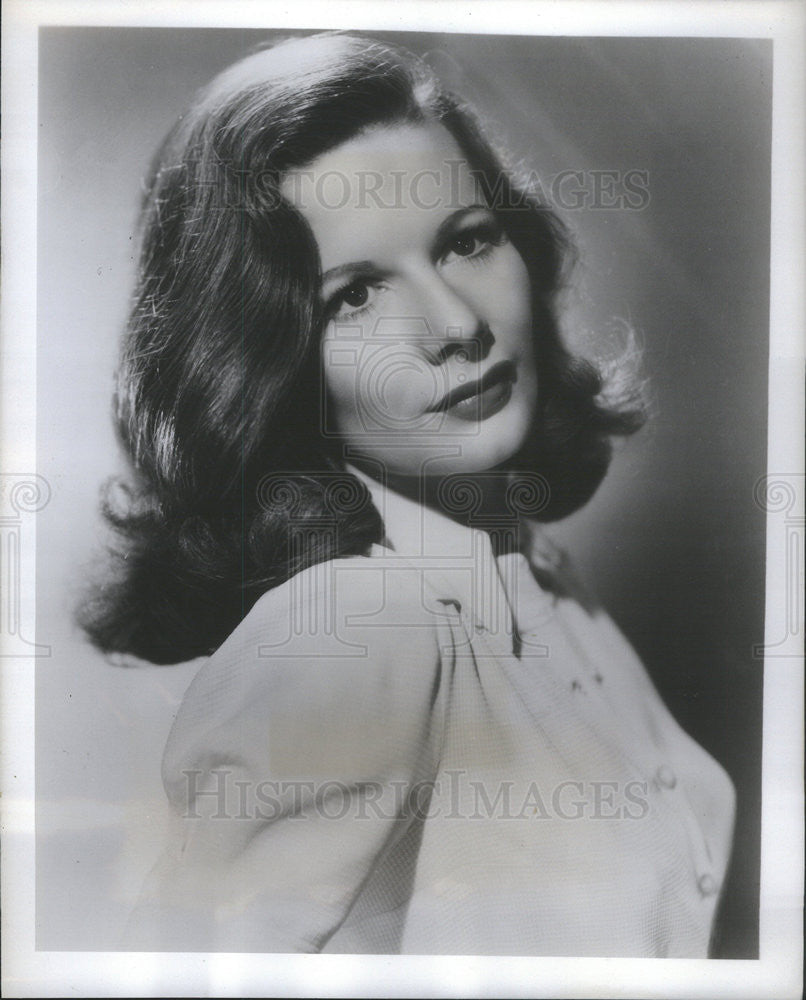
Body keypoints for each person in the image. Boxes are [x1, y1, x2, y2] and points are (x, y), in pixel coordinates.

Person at [80, 31, 735, 955]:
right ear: (270, 361)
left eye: (467, 242)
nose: (457, 326)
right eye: (353, 296)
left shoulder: (544, 578)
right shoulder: (362, 630)